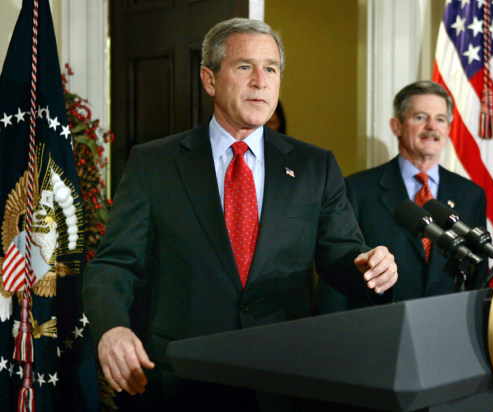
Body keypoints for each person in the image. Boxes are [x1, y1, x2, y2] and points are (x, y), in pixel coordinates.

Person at [82, 18, 398, 411]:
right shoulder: (154, 163)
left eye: (271, 69)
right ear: (209, 79)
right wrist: (112, 329)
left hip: (282, 381)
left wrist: (369, 267)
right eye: (244, 67)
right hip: (180, 382)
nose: (261, 81)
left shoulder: (315, 166)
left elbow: (342, 254)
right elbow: (115, 264)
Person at [315, 80, 487, 313]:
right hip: (381, 330)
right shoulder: (357, 189)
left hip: (449, 328)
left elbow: (479, 277)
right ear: (397, 126)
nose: (432, 127)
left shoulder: (471, 194)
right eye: (420, 117)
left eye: (440, 119)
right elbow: (337, 273)